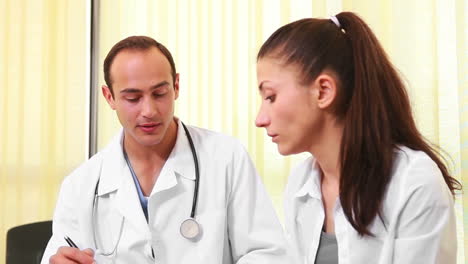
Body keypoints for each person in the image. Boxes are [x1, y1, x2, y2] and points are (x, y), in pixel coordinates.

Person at [41, 36, 291, 264]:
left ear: (176, 86)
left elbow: (267, 254)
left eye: (159, 93)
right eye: (133, 98)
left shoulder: (226, 158)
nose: (149, 110)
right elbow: (60, 254)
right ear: (109, 98)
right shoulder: (81, 185)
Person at [255, 12, 461, 264]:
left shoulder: (413, 182)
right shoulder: (301, 185)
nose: (260, 119)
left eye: (271, 97)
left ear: (323, 91)